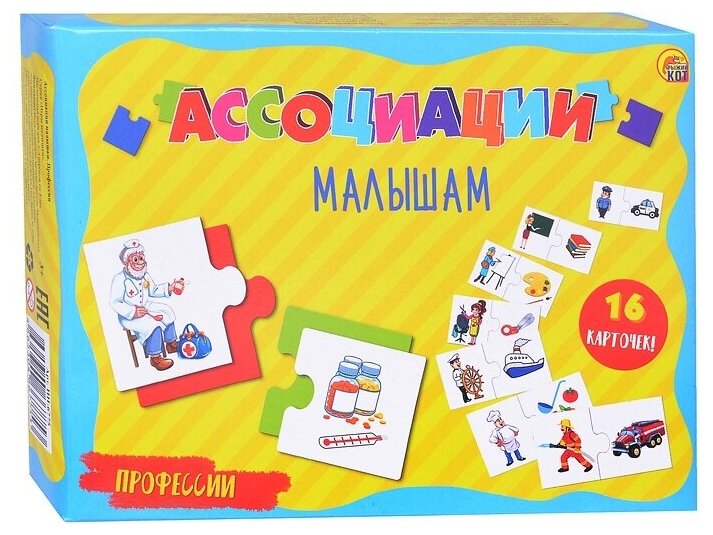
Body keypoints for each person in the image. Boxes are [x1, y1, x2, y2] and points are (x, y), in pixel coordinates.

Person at [109, 239, 186, 371]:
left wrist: (170, 288)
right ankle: (155, 357)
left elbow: (153, 290)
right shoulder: (119, 279)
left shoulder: (145, 275)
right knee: (153, 325)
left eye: (141, 258)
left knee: (166, 311)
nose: (140, 262)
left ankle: (171, 343)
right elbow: (114, 302)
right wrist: (132, 311)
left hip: (146, 306)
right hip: (129, 315)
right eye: (135, 259)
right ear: (127, 262)